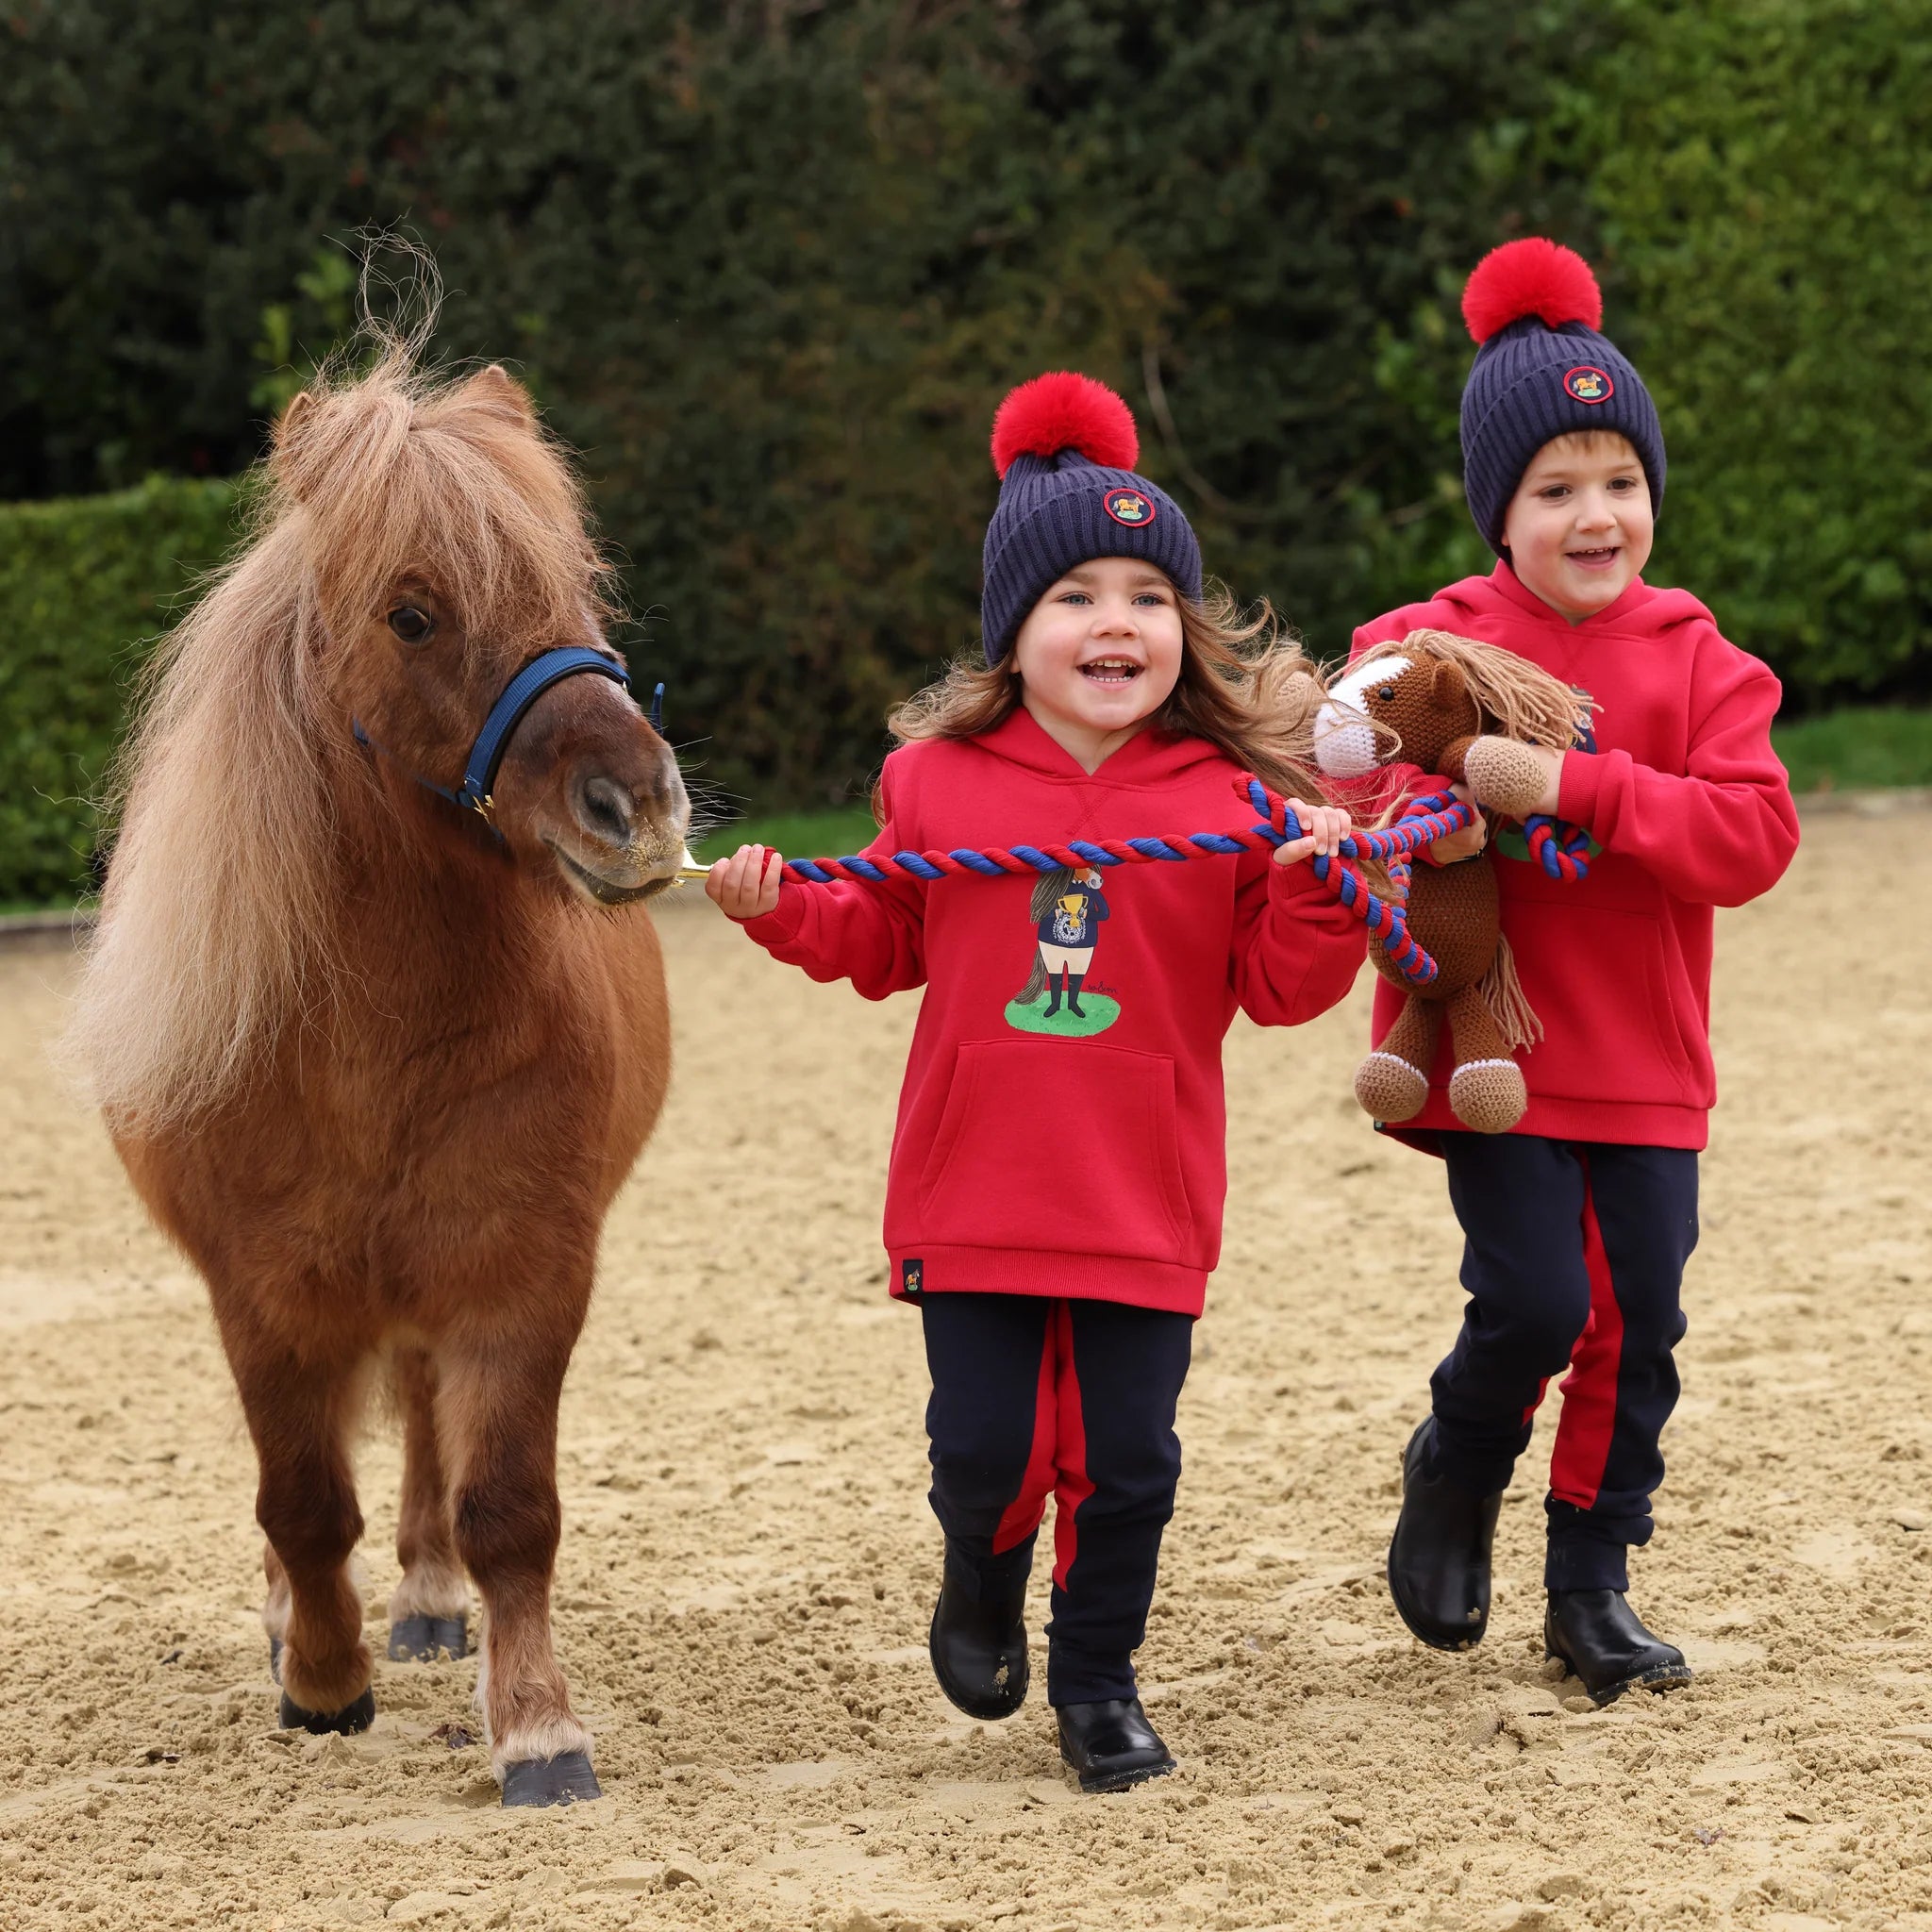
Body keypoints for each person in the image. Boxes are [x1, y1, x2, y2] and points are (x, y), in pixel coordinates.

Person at [708, 372, 1363, 1790]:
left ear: (1182, 631)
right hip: (977, 1189)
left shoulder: (1230, 799)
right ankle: (979, 1576)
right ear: (1016, 628)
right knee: (985, 1453)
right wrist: (776, 907)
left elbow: (1280, 990)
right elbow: (884, 936)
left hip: (1145, 1194)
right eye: (1075, 594)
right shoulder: (933, 781)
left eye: (1144, 594)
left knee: (1130, 1464)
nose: (1113, 621)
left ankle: (1101, 1681)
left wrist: (1318, 890)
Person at [1349, 240, 1800, 1703]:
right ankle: (1458, 1459)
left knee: (1640, 1322)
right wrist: (1405, 801)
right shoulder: (1434, 643)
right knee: (1542, 1302)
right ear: (1501, 511)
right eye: (1555, 488)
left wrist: (1575, 785)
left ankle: (1591, 1583)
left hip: (1649, 1061)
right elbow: (1348, 759)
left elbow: (1749, 838)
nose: (1594, 514)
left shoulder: (1704, 660)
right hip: (1503, 1055)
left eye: (1619, 479)